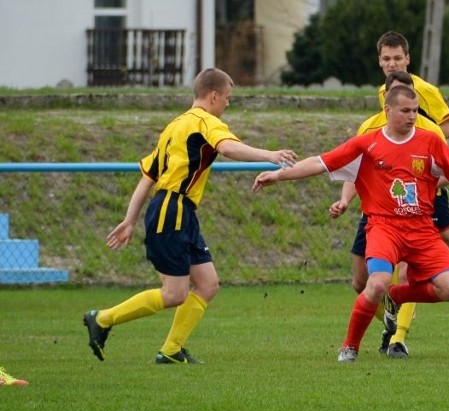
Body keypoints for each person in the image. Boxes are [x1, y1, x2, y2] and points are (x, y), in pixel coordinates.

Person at [253, 85, 449, 363]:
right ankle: (350, 347)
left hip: (421, 229)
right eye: (405, 111)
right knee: (377, 282)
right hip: (384, 228)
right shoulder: (366, 144)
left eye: (415, 111)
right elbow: (320, 162)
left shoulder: (430, 142)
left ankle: (397, 295)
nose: (411, 116)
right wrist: (279, 176)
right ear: (388, 110)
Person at [83, 68, 298, 364]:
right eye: (227, 99)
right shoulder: (204, 122)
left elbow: (147, 177)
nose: (226, 105)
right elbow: (229, 148)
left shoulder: (174, 126)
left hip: (180, 211)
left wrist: (130, 220)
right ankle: (103, 318)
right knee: (174, 294)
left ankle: (171, 350)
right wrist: (270, 154)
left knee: (208, 284)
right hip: (172, 210)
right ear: (213, 96)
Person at [332, 31, 449, 359]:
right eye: (386, 59)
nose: (390, 64)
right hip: (381, 202)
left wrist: (418, 156)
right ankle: (388, 316)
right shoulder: (374, 116)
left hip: (425, 187)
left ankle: (403, 336)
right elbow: (357, 163)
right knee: (363, 282)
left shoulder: (425, 96)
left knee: (440, 245)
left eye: (396, 59)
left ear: (408, 59)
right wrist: (346, 199)